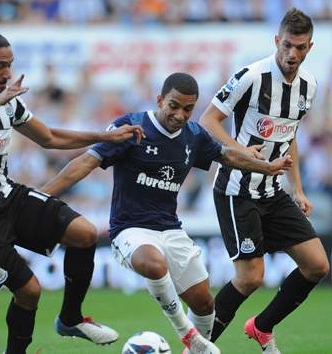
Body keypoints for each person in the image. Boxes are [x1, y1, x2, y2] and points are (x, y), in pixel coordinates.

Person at [41, 72, 293, 354]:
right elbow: (87, 161)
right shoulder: (132, 126)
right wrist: (43, 195)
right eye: (173, 105)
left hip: (171, 229)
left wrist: (267, 167)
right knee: (154, 264)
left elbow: (226, 155)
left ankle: (193, 349)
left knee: (205, 303)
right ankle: (189, 336)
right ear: (160, 99)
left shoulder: (194, 135)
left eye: (188, 109)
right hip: (130, 229)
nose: (180, 114)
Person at [0, 31, 144, 354]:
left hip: (6, 196)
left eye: (10, 65)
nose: (7, 73)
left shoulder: (7, 100)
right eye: (0, 66)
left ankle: (70, 318)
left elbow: (49, 137)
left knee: (85, 234)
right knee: (30, 291)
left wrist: (106, 137)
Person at [199, 8, 330, 354]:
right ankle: (198, 346)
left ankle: (261, 327)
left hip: (272, 191)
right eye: (287, 45)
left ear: (310, 47)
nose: (292, 54)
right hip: (236, 189)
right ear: (277, 41)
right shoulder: (251, 76)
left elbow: (291, 136)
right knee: (251, 277)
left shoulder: (309, 86)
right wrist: (242, 151)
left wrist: (298, 188)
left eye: (300, 47)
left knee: (317, 265)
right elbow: (208, 120)